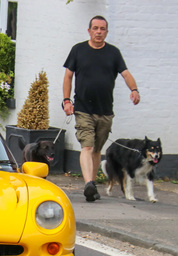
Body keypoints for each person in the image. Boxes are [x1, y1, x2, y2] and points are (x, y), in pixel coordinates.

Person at [63, 15, 141, 202]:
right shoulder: (78, 50)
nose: (99, 32)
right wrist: (67, 101)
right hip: (82, 108)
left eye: (102, 29)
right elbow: (68, 77)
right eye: (95, 28)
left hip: (105, 111)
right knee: (87, 146)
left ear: (106, 32)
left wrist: (134, 89)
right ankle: (89, 183)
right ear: (89, 30)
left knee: (97, 149)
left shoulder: (113, 53)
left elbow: (125, 73)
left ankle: (92, 184)